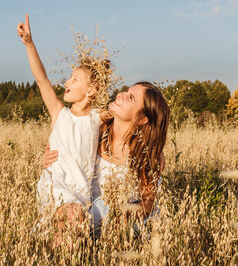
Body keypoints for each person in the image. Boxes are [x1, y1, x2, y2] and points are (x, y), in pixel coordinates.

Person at [17, 14, 111, 228]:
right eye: (69, 77)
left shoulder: (98, 118)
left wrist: (157, 150)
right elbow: (42, 79)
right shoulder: (59, 113)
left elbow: (129, 121)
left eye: (74, 79)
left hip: (80, 194)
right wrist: (29, 43)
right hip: (55, 187)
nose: (67, 81)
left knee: (69, 231)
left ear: (91, 90)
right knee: (70, 217)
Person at [43, 81, 170, 237]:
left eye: (130, 98)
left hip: (121, 218)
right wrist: (52, 158)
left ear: (142, 119)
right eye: (126, 90)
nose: (120, 94)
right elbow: (63, 143)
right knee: (70, 216)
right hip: (81, 206)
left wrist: (125, 216)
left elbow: (147, 202)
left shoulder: (146, 155)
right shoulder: (93, 128)